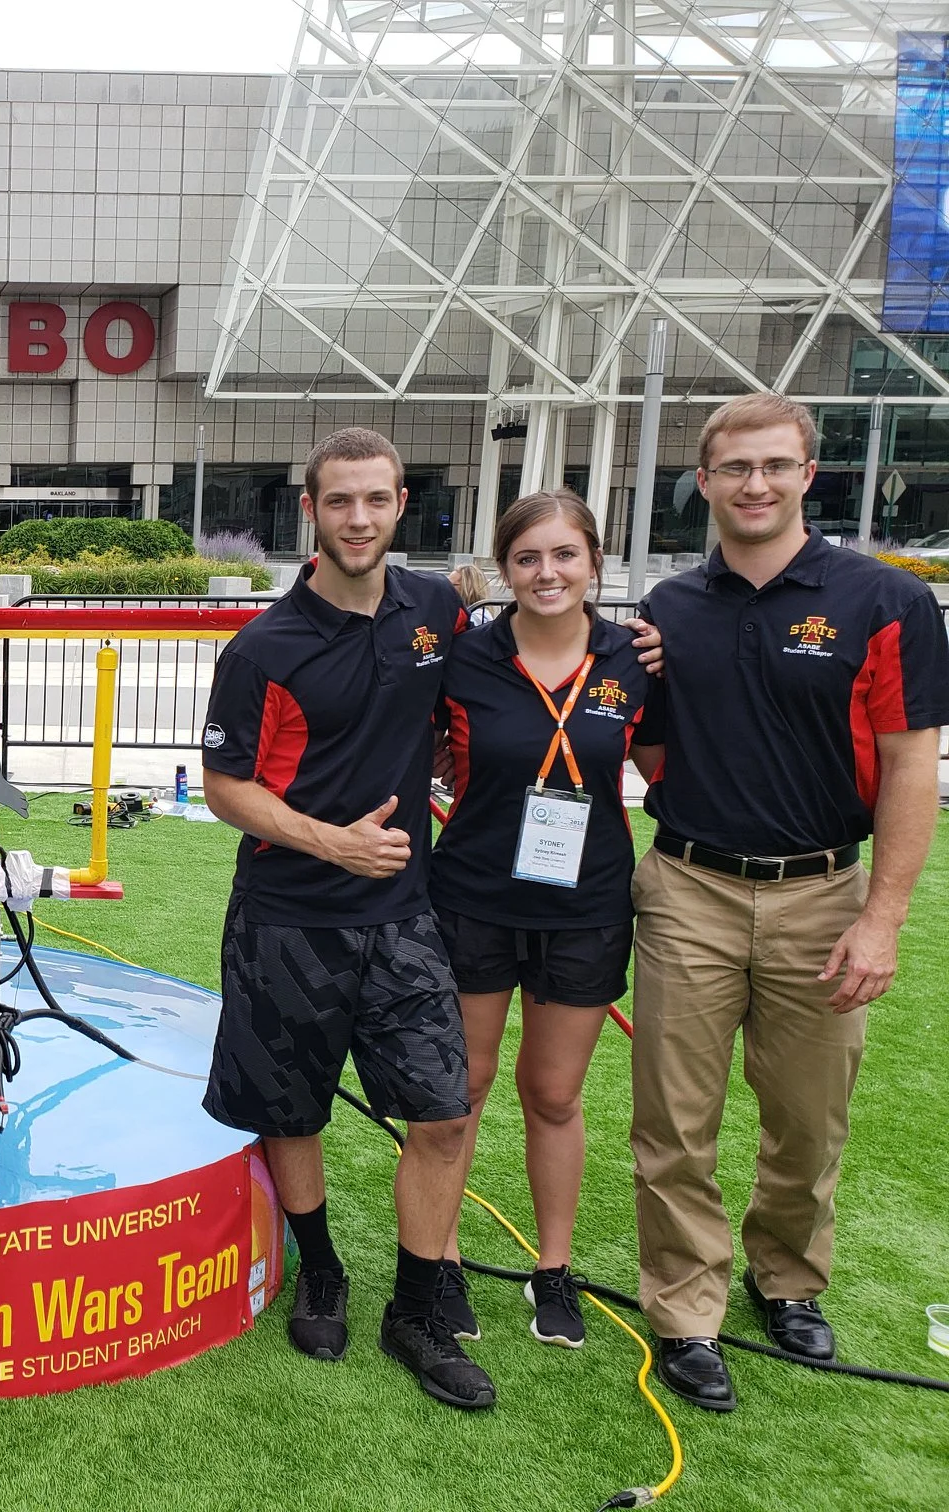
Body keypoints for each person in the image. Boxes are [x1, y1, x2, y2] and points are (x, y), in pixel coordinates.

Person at [626, 394, 948, 1413]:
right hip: (687, 887)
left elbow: (909, 767)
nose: (754, 485)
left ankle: (787, 1278)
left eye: (775, 466)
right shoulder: (668, 610)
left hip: (821, 890)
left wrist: (883, 916)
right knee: (675, 1124)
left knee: (808, 1121)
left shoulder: (884, 604)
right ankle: (684, 1308)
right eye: (734, 469)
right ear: (705, 481)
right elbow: (649, 744)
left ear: (811, 474)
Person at [199, 426, 493, 1410]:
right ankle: (321, 1267)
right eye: (339, 502)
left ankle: (417, 1304)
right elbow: (225, 788)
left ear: (401, 503)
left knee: (444, 1114)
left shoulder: (437, 610)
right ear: (310, 513)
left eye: (375, 500)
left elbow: (484, 686)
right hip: (287, 914)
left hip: (405, 913)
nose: (358, 518)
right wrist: (334, 843)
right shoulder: (264, 648)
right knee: (290, 1111)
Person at [428, 490, 651, 1350]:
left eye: (564, 555)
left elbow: (661, 761)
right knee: (463, 1091)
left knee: (553, 1094)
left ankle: (552, 1269)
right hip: (476, 898)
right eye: (528, 558)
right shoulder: (467, 660)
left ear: (594, 563)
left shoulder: (636, 659)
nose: (547, 573)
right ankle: (439, 1260)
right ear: (506, 568)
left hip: (587, 904)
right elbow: (431, 755)